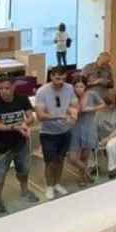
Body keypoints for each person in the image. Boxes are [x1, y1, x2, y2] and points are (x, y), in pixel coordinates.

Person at [0, 75, 40, 213]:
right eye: (0, 88)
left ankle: (25, 191)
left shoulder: (22, 99)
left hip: (20, 144)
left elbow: (31, 117)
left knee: (23, 170)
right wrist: (14, 127)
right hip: (1, 146)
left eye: (7, 88)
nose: (4, 91)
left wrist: (24, 123)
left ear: (13, 87)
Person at [34, 67, 80, 200]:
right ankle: (49, 186)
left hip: (65, 131)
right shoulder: (42, 91)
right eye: (57, 78)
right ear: (51, 76)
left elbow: (74, 104)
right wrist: (60, 116)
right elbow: (40, 116)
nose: (60, 82)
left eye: (63, 79)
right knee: (50, 162)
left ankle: (56, 183)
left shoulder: (69, 88)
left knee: (60, 160)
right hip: (48, 133)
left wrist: (74, 112)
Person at [66, 79, 104, 187]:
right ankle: (87, 171)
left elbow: (103, 104)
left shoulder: (92, 94)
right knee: (73, 158)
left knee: (85, 156)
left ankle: (82, 178)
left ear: (85, 87)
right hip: (75, 128)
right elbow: (65, 110)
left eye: (81, 86)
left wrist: (91, 108)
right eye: (76, 86)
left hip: (89, 127)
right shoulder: (70, 97)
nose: (79, 89)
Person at [95, 91, 116, 179]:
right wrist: (97, 139)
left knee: (110, 145)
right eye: (107, 104)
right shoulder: (99, 112)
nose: (109, 106)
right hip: (104, 136)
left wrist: (107, 138)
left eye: (111, 104)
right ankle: (94, 165)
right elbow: (95, 127)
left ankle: (112, 168)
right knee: (90, 144)